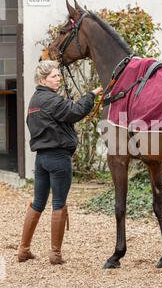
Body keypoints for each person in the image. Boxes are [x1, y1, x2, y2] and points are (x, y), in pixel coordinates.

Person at [18, 60, 101, 264]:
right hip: (58, 158)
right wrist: (92, 94)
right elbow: (75, 112)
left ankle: (23, 250)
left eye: (58, 75)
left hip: (41, 159)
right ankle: (55, 254)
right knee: (58, 204)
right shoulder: (52, 100)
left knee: (38, 203)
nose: (58, 79)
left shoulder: (34, 101)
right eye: (54, 76)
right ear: (43, 79)